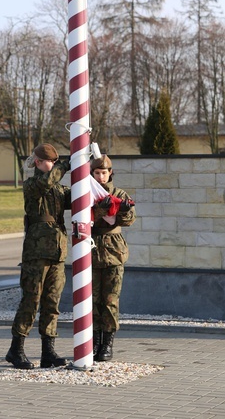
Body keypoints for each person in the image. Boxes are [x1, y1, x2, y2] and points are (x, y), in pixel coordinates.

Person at [6, 143, 71, 370]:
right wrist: (64, 166)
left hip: (57, 252)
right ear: (37, 162)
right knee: (31, 301)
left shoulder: (58, 189)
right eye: (48, 162)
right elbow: (45, 182)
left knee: (52, 303)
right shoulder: (33, 184)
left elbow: (77, 199)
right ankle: (16, 349)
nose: (52, 165)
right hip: (36, 253)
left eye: (55, 162)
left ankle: (48, 352)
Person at [90, 154, 136, 362]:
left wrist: (124, 211)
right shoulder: (87, 193)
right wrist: (100, 208)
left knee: (110, 300)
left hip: (114, 252)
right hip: (91, 252)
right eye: (97, 173)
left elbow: (129, 220)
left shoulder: (119, 193)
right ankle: (94, 342)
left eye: (104, 173)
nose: (100, 177)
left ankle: (107, 344)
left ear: (110, 173)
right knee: (92, 301)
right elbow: (84, 215)